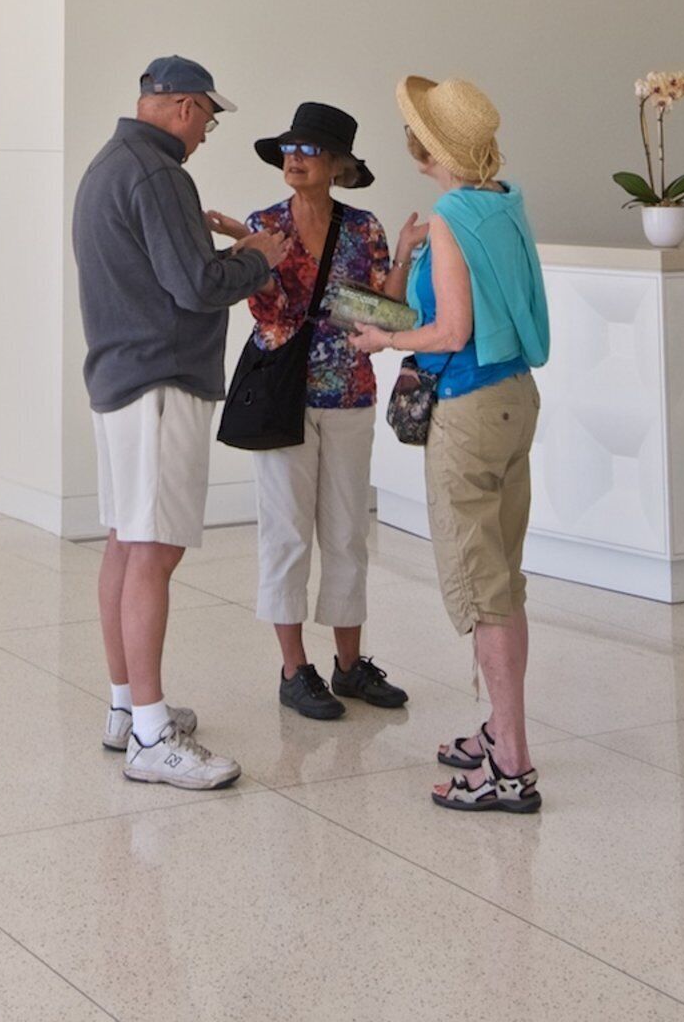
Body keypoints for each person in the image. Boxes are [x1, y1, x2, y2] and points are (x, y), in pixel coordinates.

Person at [75, 55, 295, 790]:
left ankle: (123, 708)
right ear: (182, 107)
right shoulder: (160, 173)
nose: (206, 135)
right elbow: (197, 288)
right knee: (154, 552)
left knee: (124, 543)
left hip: (120, 377)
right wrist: (256, 257)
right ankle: (150, 733)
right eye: (208, 118)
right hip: (160, 378)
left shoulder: (109, 165)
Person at [347, 74, 551, 814]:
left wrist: (382, 338)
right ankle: (499, 732)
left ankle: (511, 766)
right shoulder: (504, 203)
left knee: (482, 592)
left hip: (465, 408)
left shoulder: (449, 216)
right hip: (514, 398)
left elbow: (451, 332)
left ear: (426, 145)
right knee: (505, 578)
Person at [236, 101, 409, 722]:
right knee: (286, 531)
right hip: (284, 392)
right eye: (290, 148)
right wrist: (255, 256)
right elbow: (267, 312)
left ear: (337, 165)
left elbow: (389, 315)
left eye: (309, 151)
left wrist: (409, 251)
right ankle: (293, 670)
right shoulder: (263, 223)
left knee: (346, 533)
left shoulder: (365, 230)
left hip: (350, 393)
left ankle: (348, 666)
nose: (295, 159)